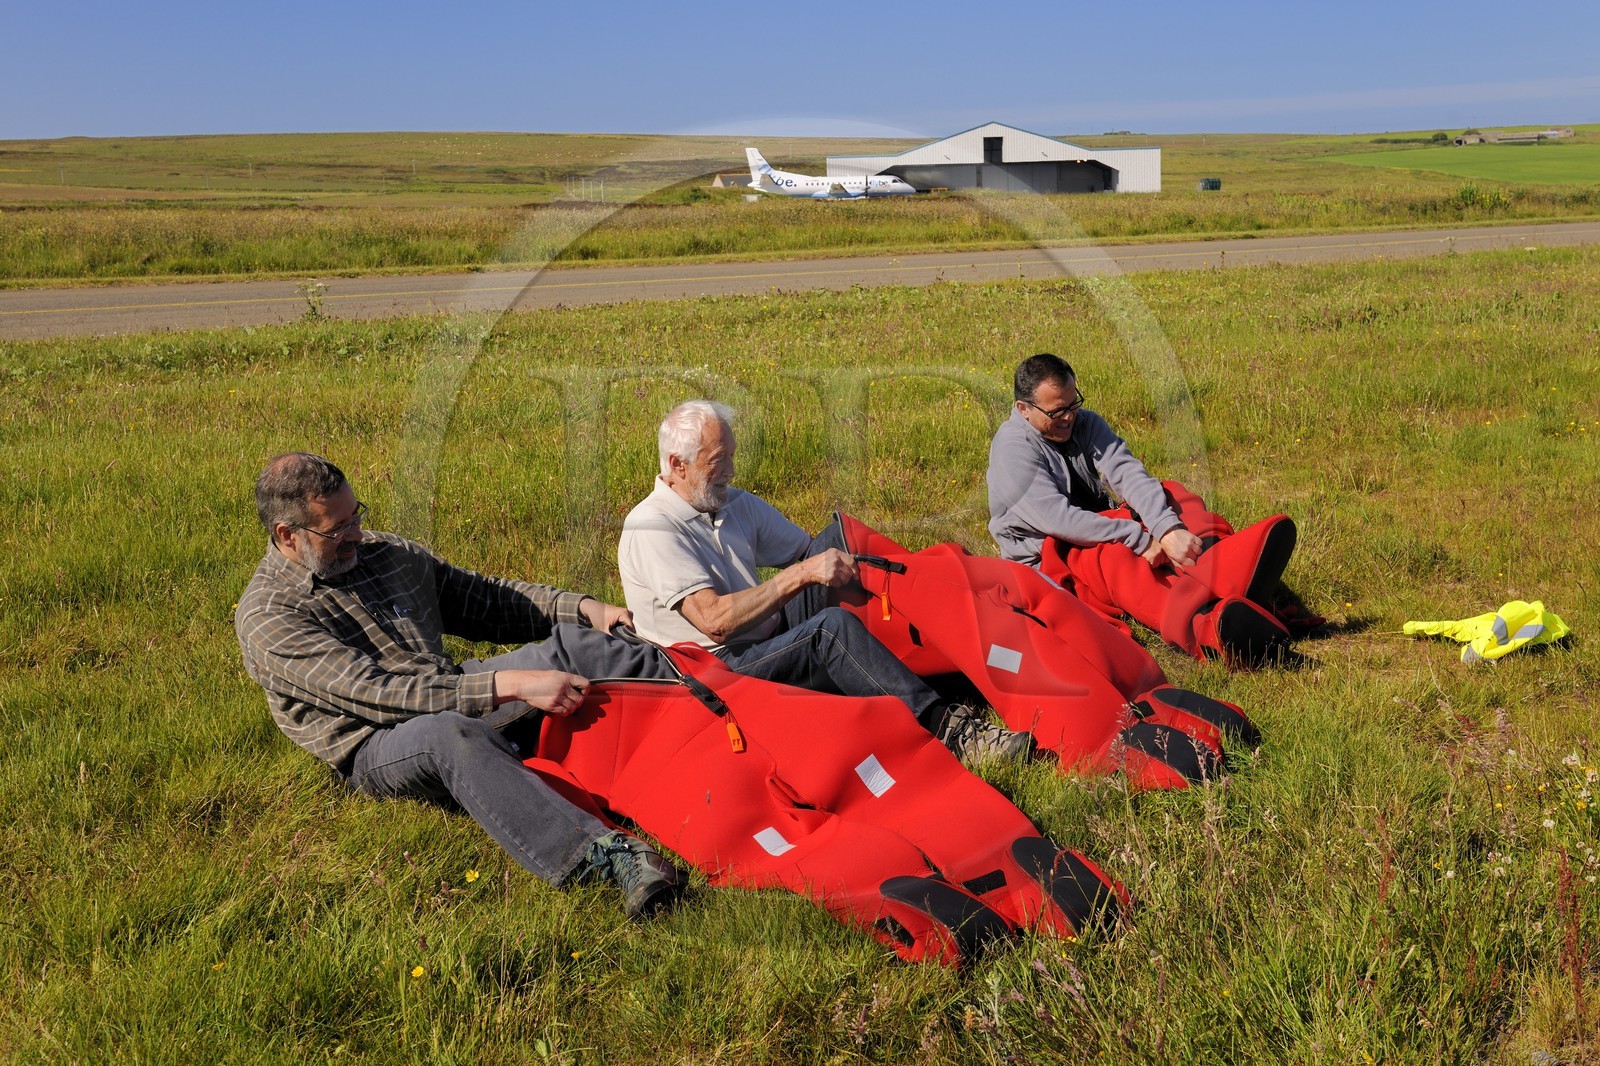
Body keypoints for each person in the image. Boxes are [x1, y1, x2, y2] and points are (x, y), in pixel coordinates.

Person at [235, 452, 686, 920]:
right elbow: (379, 694)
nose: (357, 536)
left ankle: (709, 705)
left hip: (450, 685)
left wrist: (583, 610)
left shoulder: (384, 554)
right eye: (337, 529)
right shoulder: (269, 617)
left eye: (356, 517)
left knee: (581, 645)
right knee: (450, 735)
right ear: (287, 535)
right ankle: (608, 855)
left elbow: (485, 600)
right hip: (378, 741)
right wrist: (510, 685)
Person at [618, 401, 1032, 763]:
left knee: (838, 542)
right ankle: (949, 731)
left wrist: (860, 566)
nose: (731, 470)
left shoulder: (731, 503)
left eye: (732, 456)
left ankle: (949, 649)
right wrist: (802, 574)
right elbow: (715, 622)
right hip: (716, 671)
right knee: (829, 629)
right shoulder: (651, 527)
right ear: (677, 465)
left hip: (761, 633)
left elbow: (814, 554)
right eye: (718, 460)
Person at [986, 354, 1299, 667]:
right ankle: (1210, 628)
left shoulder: (1086, 423)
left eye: (1073, 403)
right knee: (1114, 558)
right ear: (1023, 409)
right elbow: (1059, 520)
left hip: (1099, 523)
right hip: (1050, 553)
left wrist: (1167, 528)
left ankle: (1225, 566)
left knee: (1170, 495)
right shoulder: (1012, 449)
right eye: (1057, 411)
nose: (1069, 417)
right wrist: (1138, 537)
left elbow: (1128, 473)